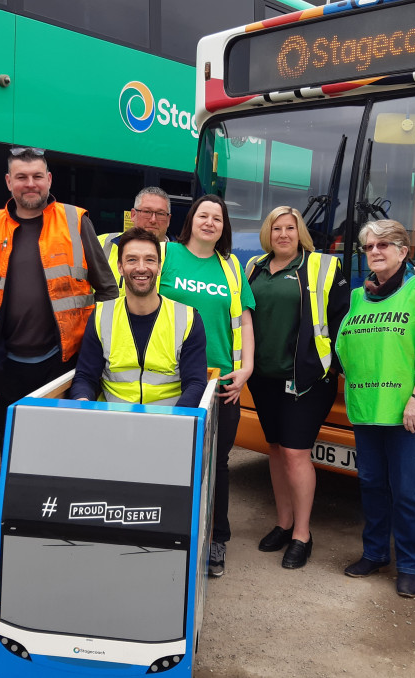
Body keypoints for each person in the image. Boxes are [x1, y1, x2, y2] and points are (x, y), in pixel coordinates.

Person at [0, 146, 117, 576]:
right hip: (8, 365)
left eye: (37, 176)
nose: (30, 184)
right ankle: (12, 539)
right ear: (8, 182)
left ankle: (59, 537)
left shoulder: (76, 221)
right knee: (14, 457)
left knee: (63, 458)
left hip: (63, 363)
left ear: (49, 179)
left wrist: (96, 356)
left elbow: (107, 289)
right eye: (21, 177)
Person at [335, 219, 415, 598]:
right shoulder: (357, 297)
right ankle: (373, 555)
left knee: (404, 490)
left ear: (403, 251)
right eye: (369, 247)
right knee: (371, 485)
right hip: (368, 409)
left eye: (384, 245)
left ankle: (409, 566)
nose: (376, 252)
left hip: (408, 411)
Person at [246, 207, 349, 569]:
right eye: (277, 228)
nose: (284, 234)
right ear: (268, 233)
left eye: (290, 228)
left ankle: (302, 534)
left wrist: (331, 366)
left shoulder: (322, 266)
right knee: (274, 449)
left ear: (300, 232)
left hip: (306, 380)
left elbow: (341, 320)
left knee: (295, 453)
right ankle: (283, 523)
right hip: (262, 377)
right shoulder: (254, 267)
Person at [158, 194, 255, 577]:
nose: (210, 222)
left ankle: (216, 539)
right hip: (170, 378)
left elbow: (245, 321)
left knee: (217, 464)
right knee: (169, 460)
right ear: (191, 220)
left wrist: (246, 368)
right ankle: (169, 531)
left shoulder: (231, 267)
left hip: (221, 382)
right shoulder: (166, 255)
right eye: (203, 215)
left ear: (223, 226)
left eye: (218, 217)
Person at [70, 227, 207, 407]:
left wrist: (177, 423)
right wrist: (82, 401)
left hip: (167, 422)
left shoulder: (189, 319)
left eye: (149, 260)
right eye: (132, 260)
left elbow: (195, 384)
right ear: (120, 267)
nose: (141, 268)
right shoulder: (101, 316)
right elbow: (85, 377)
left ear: (159, 267)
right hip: (112, 421)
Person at [98, 187, 173, 289]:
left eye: (160, 214)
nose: (153, 220)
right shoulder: (102, 244)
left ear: (168, 220)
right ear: (133, 215)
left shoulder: (179, 255)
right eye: (147, 212)